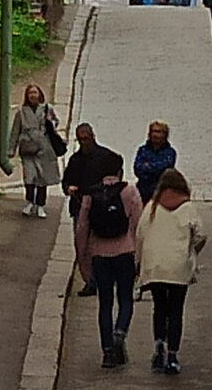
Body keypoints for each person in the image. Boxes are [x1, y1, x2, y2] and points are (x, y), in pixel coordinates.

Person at [76, 150, 143, 368]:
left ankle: (107, 352)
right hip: (125, 253)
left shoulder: (90, 195)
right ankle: (120, 332)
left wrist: (83, 259)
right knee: (125, 299)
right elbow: (139, 225)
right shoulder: (129, 191)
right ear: (119, 171)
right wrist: (140, 257)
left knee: (105, 303)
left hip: (100, 255)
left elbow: (82, 227)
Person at [136, 169, 207, 376]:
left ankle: (159, 348)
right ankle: (173, 357)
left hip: (155, 266)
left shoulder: (152, 207)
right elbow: (201, 235)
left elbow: (140, 235)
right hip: (178, 266)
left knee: (159, 307)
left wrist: (139, 263)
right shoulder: (187, 208)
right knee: (176, 311)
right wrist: (191, 251)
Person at [62, 123, 119, 295]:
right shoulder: (75, 160)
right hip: (79, 206)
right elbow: (66, 181)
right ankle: (90, 281)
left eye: (86, 139)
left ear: (92, 137)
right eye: (80, 140)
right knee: (83, 246)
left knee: (100, 245)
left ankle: (102, 278)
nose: (83, 143)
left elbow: (117, 166)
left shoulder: (105, 156)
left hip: (100, 207)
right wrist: (68, 188)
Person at [7, 84, 60, 218]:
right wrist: (11, 148)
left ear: (39, 94)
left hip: (43, 148)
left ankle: (41, 205)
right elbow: (15, 131)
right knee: (29, 177)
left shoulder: (47, 109)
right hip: (28, 149)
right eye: (30, 93)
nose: (33, 95)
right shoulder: (21, 112)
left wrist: (50, 122)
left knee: (42, 178)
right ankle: (30, 202)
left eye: (35, 92)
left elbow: (55, 123)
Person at [133, 121, 178, 205]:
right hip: (143, 192)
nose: (155, 135)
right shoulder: (142, 150)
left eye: (159, 132)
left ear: (165, 134)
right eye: (153, 131)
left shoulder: (170, 152)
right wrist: (154, 168)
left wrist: (147, 167)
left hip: (162, 192)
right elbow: (137, 169)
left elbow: (165, 169)